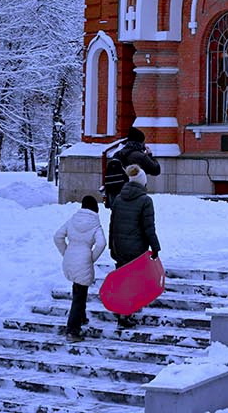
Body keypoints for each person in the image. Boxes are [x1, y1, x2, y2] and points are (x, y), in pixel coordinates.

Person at [107, 161, 161, 328]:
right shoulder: (145, 201)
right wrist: (155, 247)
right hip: (136, 248)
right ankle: (124, 315)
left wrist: (112, 246)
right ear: (143, 181)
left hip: (119, 247)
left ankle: (119, 308)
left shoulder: (118, 198)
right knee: (131, 281)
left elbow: (112, 224)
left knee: (121, 278)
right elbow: (148, 227)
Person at [53, 195, 107, 341]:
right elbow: (101, 244)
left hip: (70, 258)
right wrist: (91, 258)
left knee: (78, 288)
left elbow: (58, 236)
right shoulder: (95, 224)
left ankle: (81, 317)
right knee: (79, 296)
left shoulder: (72, 220)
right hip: (83, 259)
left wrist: (66, 252)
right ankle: (72, 330)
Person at [102, 129, 160, 208]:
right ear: (140, 142)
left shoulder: (118, 154)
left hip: (116, 197)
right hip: (134, 197)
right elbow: (156, 170)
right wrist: (149, 155)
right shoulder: (140, 156)